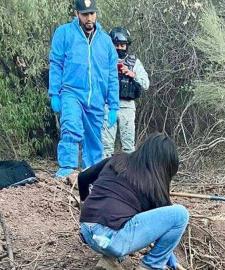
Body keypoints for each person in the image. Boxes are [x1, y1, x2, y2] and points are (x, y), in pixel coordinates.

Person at [78, 133, 189, 270]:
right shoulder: (154, 187)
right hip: (111, 239)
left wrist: (85, 206)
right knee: (181, 214)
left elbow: (82, 178)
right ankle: (151, 266)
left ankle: (108, 261)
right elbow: (158, 232)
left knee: (123, 218)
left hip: (87, 232)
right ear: (165, 166)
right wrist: (169, 260)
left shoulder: (116, 160)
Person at [49, 0, 119, 178]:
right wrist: (54, 93)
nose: (89, 18)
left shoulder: (106, 42)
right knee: (71, 127)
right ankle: (67, 169)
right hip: (72, 91)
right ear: (77, 14)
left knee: (94, 139)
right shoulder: (64, 33)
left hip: (96, 97)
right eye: (85, 14)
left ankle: (92, 174)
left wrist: (113, 105)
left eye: (92, 13)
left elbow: (112, 75)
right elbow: (56, 64)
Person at [102, 27, 150, 157]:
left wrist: (131, 74)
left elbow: (146, 84)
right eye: (116, 45)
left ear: (127, 45)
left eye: (122, 45)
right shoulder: (104, 61)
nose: (119, 48)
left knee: (128, 146)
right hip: (108, 106)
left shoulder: (134, 62)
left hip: (127, 108)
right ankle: (104, 174)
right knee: (106, 146)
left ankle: (128, 175)